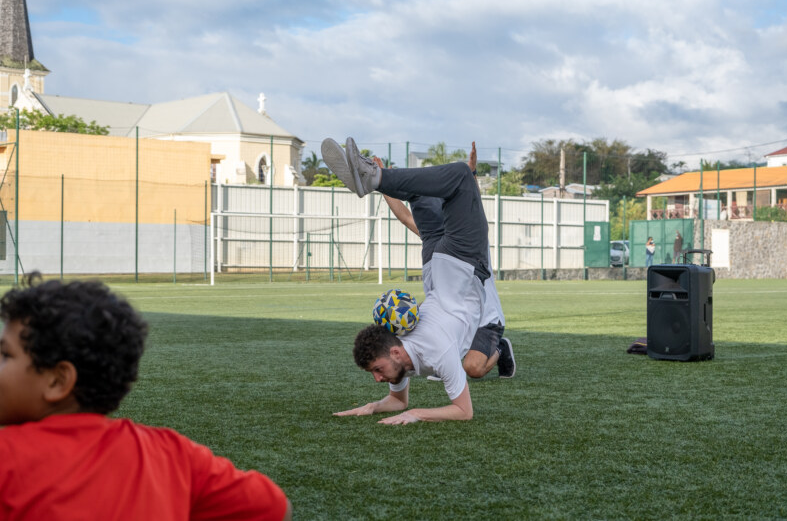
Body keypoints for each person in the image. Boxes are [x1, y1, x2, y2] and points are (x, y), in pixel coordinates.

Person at [0, 274, 291, 521]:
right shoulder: (173, 454)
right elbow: (275, 507)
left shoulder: (9, 458)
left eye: (5, 355)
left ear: (58, 381)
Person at [321, 137, 516, 424]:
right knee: (450, 181)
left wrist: (408, 413)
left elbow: (445, 409)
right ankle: (374, 178)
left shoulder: (415, 347)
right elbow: (415, 404)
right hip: (454, 266)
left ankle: (374, 178)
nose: (377, 379)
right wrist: (377, 407)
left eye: (377, 370)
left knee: (445, 183)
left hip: (445, 263)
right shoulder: (413, 354)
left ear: (394, 351)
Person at [373, 144, 513, 382]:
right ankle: (378, 178)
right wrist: (384, 186)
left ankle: (500, 348)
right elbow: (406, 217)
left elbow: (473, 205)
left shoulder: (468, 243)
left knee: (473, 368)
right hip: (449, 316)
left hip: (485, 318)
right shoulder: (437, 243)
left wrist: (472, 175)